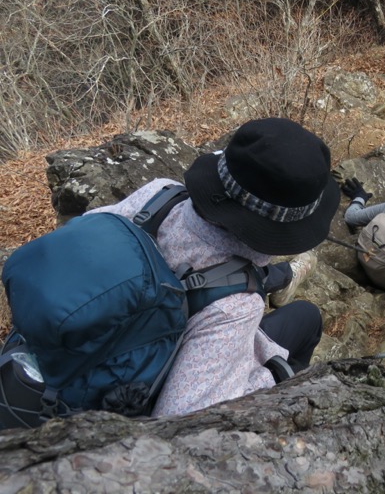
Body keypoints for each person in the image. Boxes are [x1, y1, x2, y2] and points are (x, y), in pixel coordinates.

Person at [86, 118, 339, 417]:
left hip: (88, 346)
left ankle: (280, 282)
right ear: (283, 228)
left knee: (305, 316)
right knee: (306, 320)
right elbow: (183, 420)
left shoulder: (158, 196)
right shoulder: (234, 307)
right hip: (136, 396)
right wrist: (270, 375)